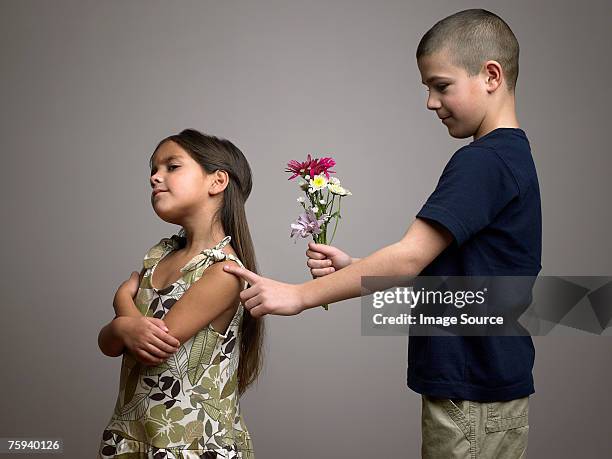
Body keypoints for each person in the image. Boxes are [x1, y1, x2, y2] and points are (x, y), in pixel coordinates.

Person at [223, 9, 538, 458]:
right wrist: (356, 269)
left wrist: (296, 296)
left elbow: (411, 256)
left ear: (491, 76)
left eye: (441, 85)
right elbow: (469, 277)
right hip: (488, 386)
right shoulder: (512, 158)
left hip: (473, 393)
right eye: (427, 88)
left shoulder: (483, 162)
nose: (431, 101)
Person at [97, 129, 262, 459]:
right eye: (153, 170)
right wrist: (120, 328)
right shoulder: (159, 257)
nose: (155, 177)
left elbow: (152, 347)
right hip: (135, 434)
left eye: (172, 167)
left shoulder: (224, 272)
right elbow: (110, 344)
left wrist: (120, 303)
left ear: (217, 182)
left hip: (187, 443)